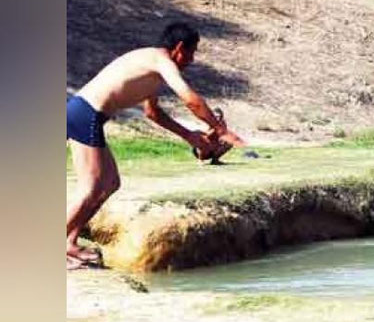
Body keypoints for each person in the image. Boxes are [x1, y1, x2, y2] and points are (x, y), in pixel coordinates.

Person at [66, 22, 245, 270]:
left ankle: (70, 242)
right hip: (84, 113)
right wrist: (223, 130)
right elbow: (191, 100)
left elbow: (153, 113)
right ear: (179, 48)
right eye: (192, 53)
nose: (192, 60)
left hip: (89, 116)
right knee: (92, 187)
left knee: (111, 183)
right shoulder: (161, 61)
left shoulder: (154, 72)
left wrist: (190, 136)